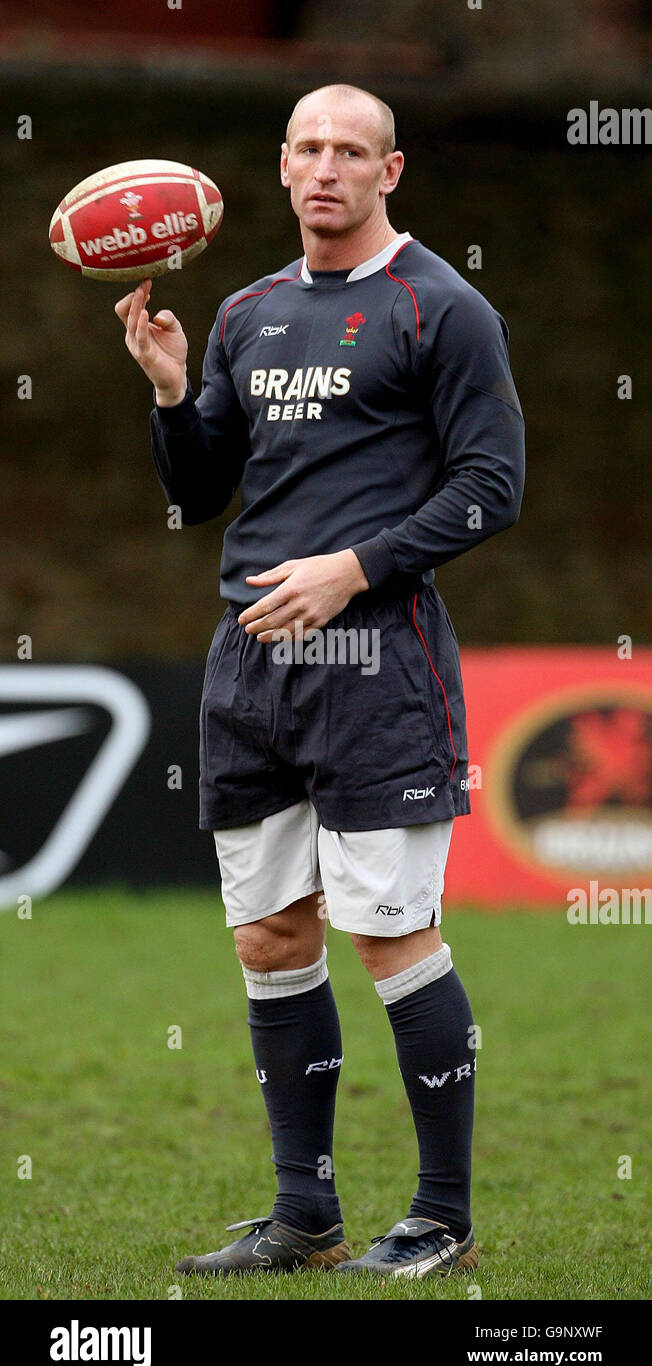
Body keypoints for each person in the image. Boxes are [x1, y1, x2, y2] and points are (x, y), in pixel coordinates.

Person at [115, 83, 525, 1280]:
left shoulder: (441, 308)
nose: (325, 169)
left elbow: (492, 486)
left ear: (389, 172)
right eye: (306, 148)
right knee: (271, 939)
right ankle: (306, 1215)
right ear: (281, 165)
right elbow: (198, 496)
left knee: (391, 937)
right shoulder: (246, 312)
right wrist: (170, 386)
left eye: (351, 151)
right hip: (250, 665)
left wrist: (355, 567)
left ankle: (441, 1217)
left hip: (377, 663)